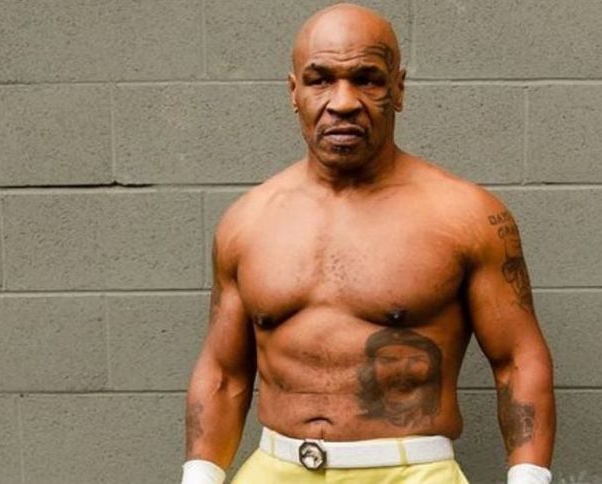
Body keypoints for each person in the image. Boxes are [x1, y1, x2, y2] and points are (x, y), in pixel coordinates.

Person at [181, 3, 555, 483]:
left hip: (410, 471)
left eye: (366, 79)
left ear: (398, 88)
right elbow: (223, 373)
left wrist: (529, 479)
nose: (343, 102)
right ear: (294, 92)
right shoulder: (248, 221)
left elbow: (517, 360)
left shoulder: (466, 215)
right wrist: (199, 477)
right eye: (320, 80)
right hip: (277, 468)